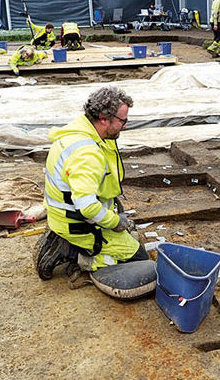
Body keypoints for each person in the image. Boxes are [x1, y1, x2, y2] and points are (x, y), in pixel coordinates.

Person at [34, 86, 148, 282]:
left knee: (130, 241)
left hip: (63, 212)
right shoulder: (87, 153)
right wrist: (114, 221)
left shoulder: (80, 129)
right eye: (123, 121)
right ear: (104, 118)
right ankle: (72, 253)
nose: (126, 126)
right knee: (139, 260)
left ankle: (67, 240)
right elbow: (87, 208)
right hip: (78, 223)